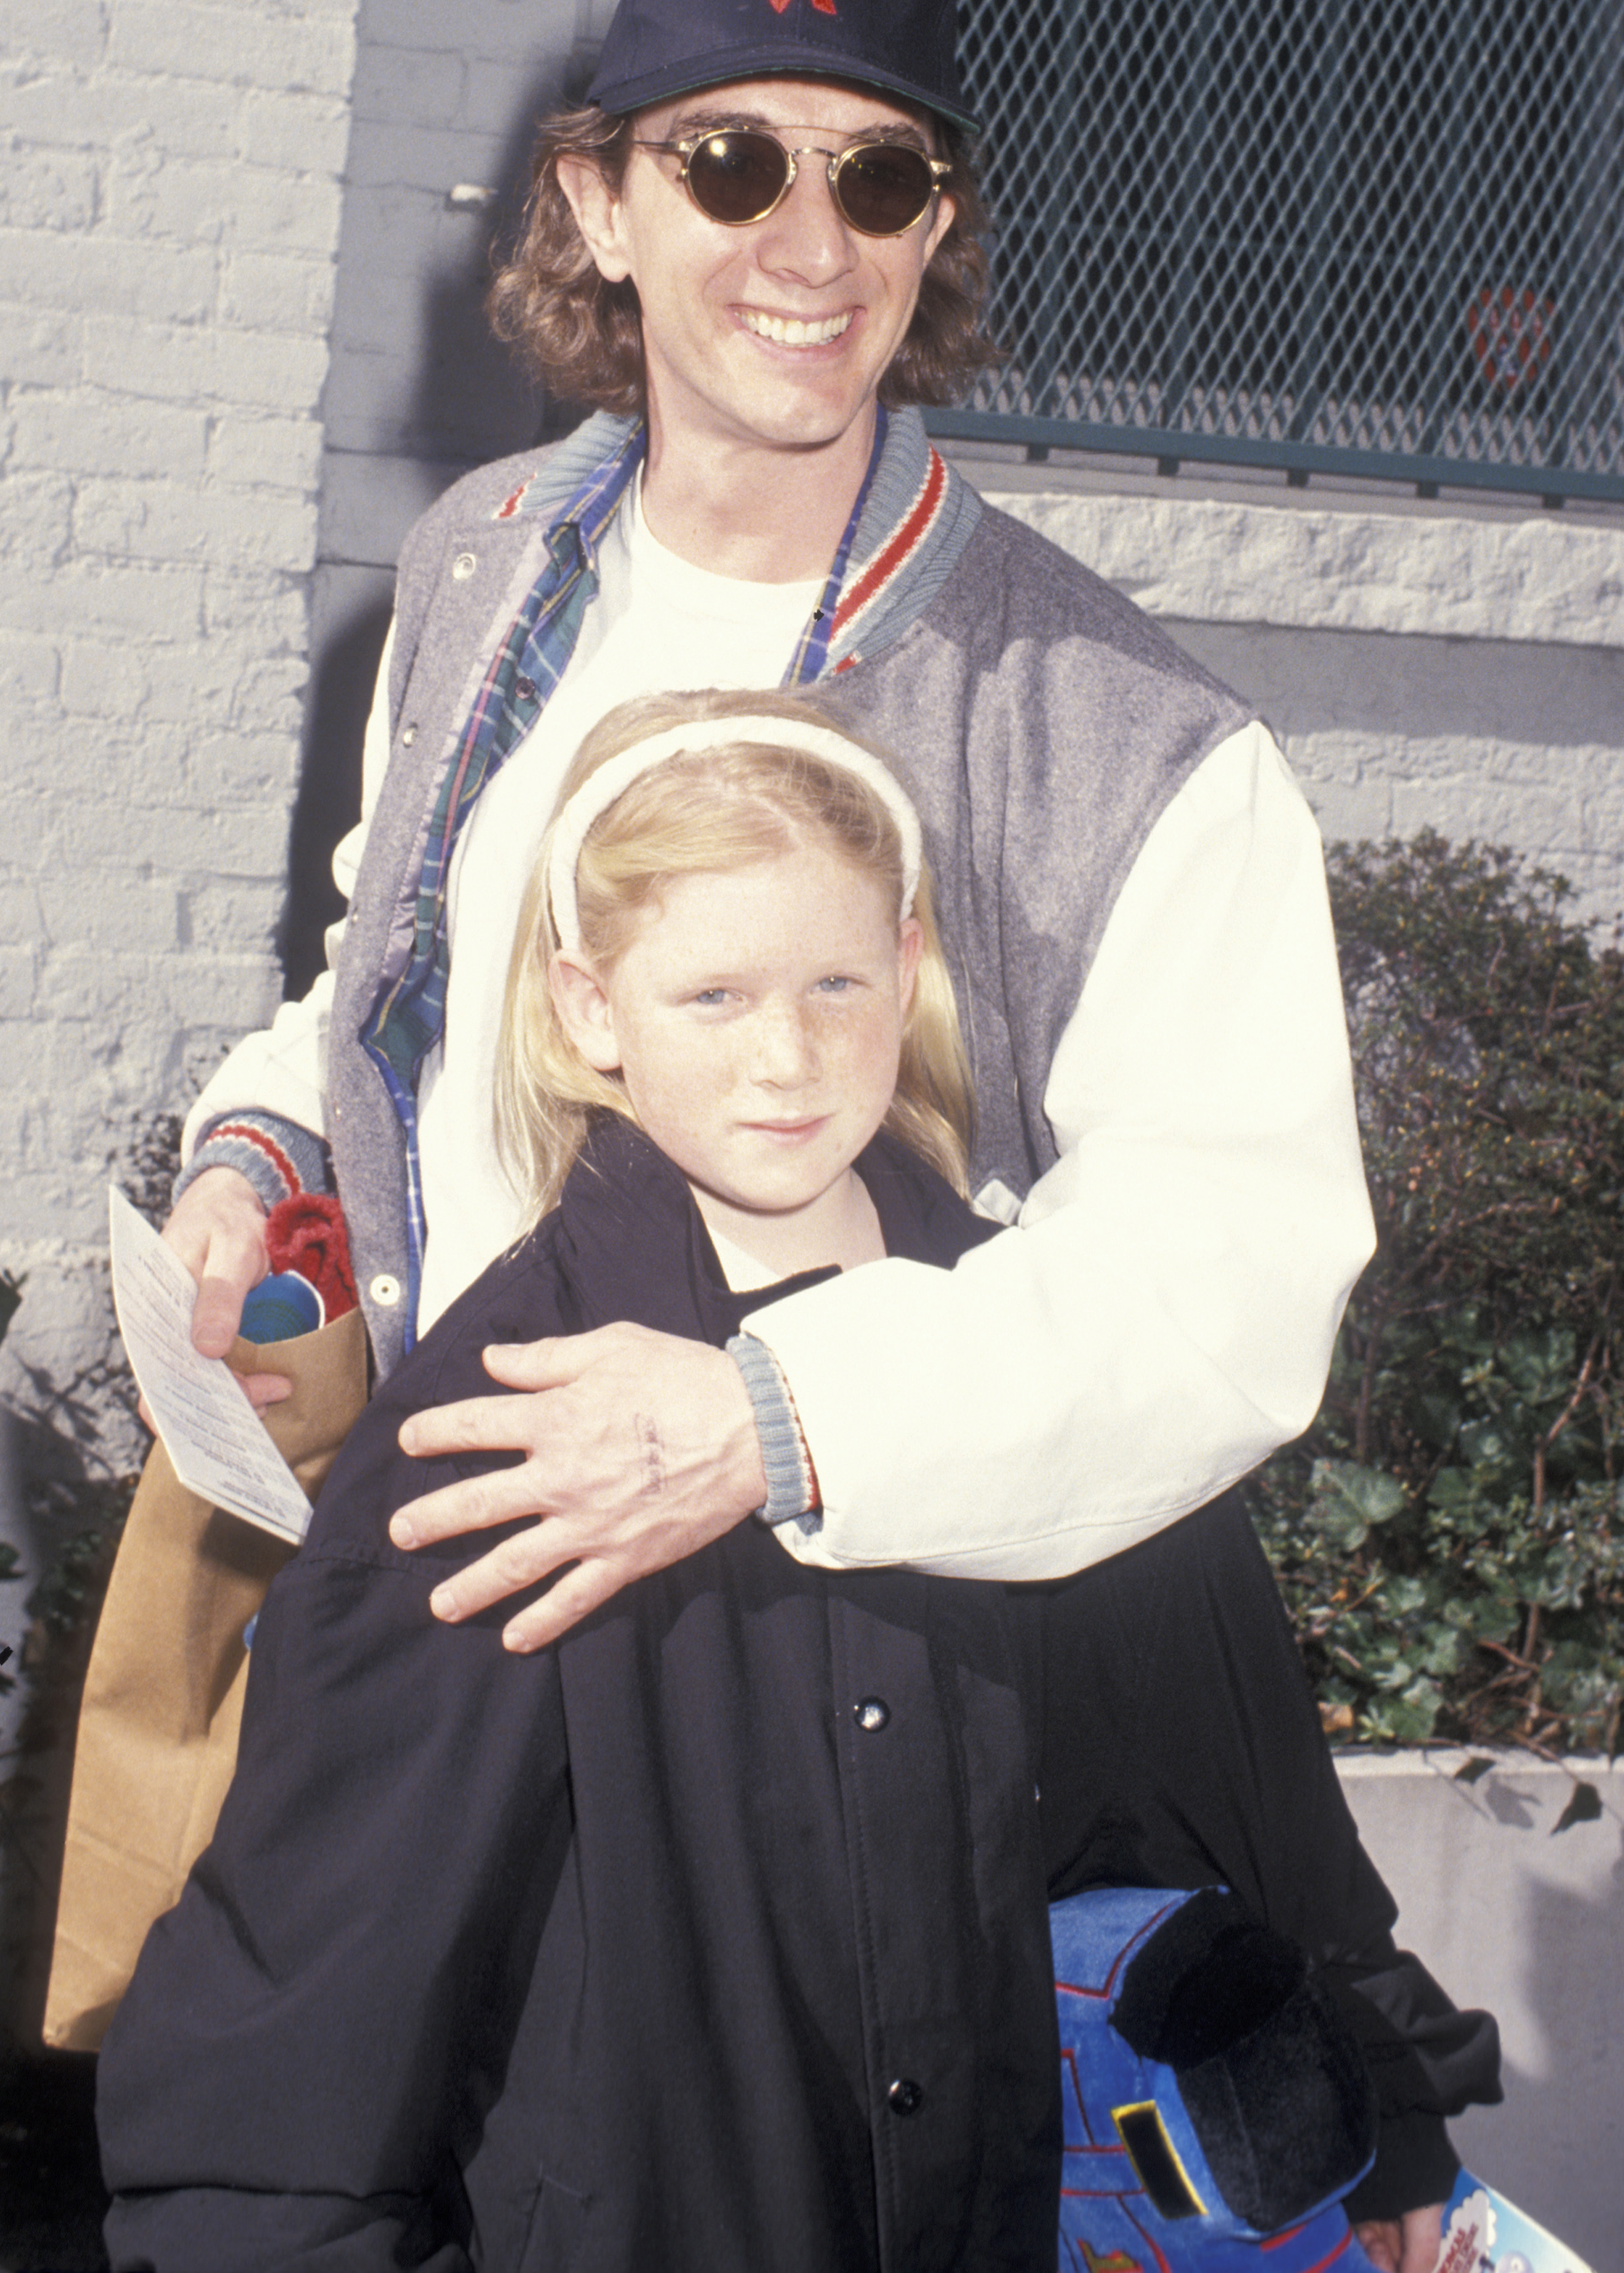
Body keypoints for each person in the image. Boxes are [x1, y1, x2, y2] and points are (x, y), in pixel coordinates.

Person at [98, 696, 1495, 2273]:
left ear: (908, 969)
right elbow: (304, 2017)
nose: (789, 1056)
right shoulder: (493, 1436)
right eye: (714, 993)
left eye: (837, 982)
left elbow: (1246, 1788)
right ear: (590, 1007)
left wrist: (1386, 2102)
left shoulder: (1053, 1354)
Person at [162, 0, 1374, 1643]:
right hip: (450, 1618)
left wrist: (767, 1422)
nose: (811, 247)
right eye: (731, 163)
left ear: (933, 229)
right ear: (598, 205)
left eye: (877, 178)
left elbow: (1226, 1288)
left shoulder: (1124, 738)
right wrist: (248, 1170)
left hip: (800, 1677)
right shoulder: (483, 570)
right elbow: (394, 983)